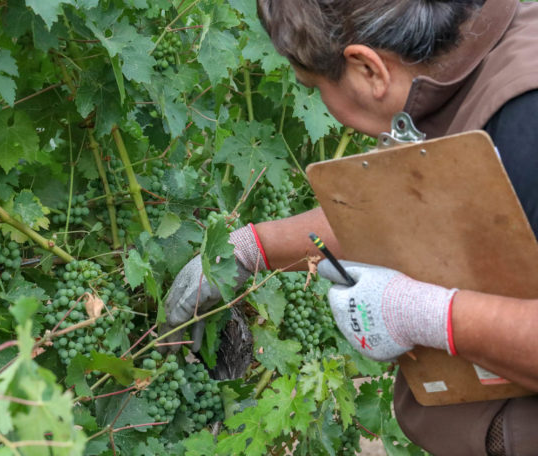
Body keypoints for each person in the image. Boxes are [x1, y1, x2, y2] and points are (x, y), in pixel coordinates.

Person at [164, 0, 538, 454]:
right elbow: (403, 212)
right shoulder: (470, 60)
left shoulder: (527, 126)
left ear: (368, 69)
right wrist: (250, 248)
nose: (320, 101)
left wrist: (424, 313)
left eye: (314, 86)